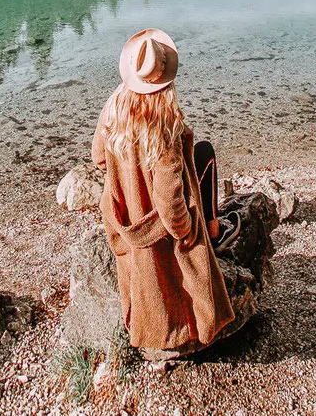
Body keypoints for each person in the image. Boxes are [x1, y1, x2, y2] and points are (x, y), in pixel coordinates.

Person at [91, 28, 241, 353]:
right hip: (156, 229)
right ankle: (215, 232)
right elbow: (170, 204)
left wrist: (130, 178)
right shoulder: (163, 129)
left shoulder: (114, 107)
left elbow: (99, 157)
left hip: (126, 218)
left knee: (200, 154)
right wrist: (188, 232)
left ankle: (214, 229)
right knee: (205, 153)